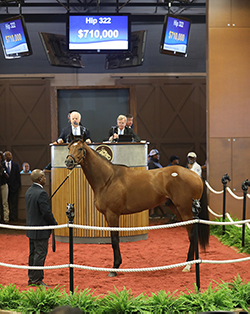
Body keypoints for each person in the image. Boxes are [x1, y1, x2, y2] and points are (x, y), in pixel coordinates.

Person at [25, 169, 57, 287]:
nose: (45, 178)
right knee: (40, 253)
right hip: (41, 229)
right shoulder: (42, 193)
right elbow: (46, 212)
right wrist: (54, 223)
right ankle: (37, 279)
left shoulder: (29, 191)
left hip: (31, 229)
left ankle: (31, 278)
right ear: (39, 179)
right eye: (43, 176)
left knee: (33, 253)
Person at [4, 151, 21, 222]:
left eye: (10, 155)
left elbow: (18, 177)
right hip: (4, 187)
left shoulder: (16, 165)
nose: (10, 156)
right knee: (5, 202)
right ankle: (5, 217)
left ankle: (14, 217)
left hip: (14, 187)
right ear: (5, 157)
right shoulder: (2, 165)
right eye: (8, 155)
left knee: (14, 203)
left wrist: (18, 186)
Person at [0, 151, 9, 223]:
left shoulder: (3, 165)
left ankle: (6, 219)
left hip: (3, 184)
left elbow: (7, 176)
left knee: (5, 202)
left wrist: (3, 171)